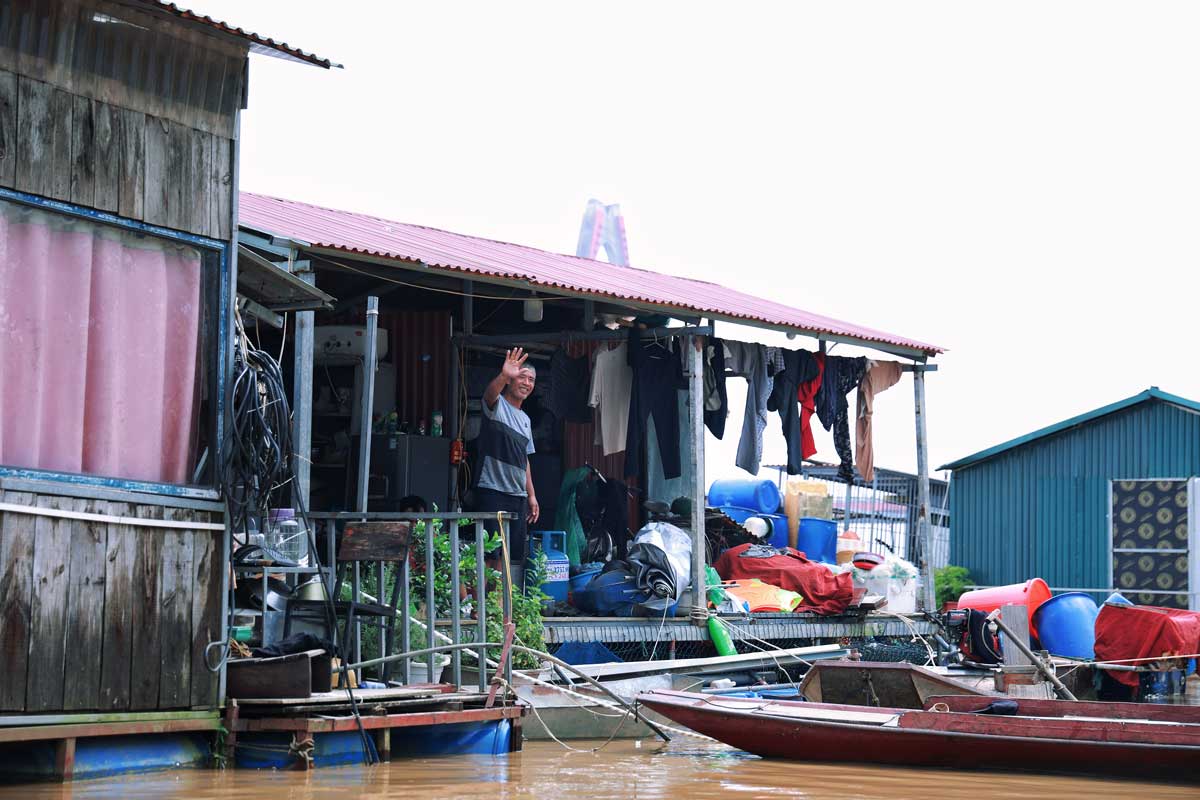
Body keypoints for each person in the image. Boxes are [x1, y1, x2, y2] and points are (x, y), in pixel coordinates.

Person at [474, 347, 539, 565]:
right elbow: (489, 395)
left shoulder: (526, 420)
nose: (527, 383)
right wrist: (503, 375)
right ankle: (482, 600)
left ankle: (502, 600)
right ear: (511, 380)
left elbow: (525, 460)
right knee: (490, 555)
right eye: (522, 377)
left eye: (531, 379)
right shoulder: (498, 406)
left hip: (517, 496)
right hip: (493, 490)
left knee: (509, 557)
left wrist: (531, 495)